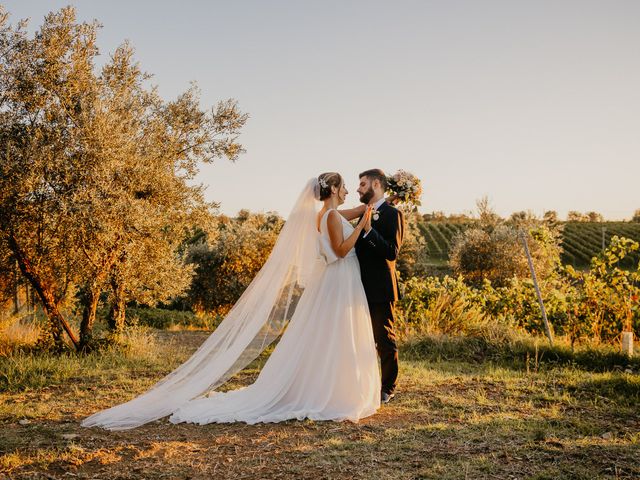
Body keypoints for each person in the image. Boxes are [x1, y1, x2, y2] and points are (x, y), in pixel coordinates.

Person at [82, 173, 381, 429]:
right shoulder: (329, 216)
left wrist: (372, 205)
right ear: (331, 190)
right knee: (335, 335)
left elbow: (354, 212)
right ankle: (328, 393)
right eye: (342, 186)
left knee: (333, 336)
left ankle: (330, 387)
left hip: (340, 282)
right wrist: (362, 227)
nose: (346, 191)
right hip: (337, 280)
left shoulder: (329, 214)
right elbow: (341, 250)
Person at [355, 169, 405, 404]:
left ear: (376, 184)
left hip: (380, 287)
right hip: (356, 287)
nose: (358, 189)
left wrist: (369, 231)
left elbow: (391, 252)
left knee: (383, 339)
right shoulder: (364, 212)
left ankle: (387, 388)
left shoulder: (392, 214)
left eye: (363, 184)